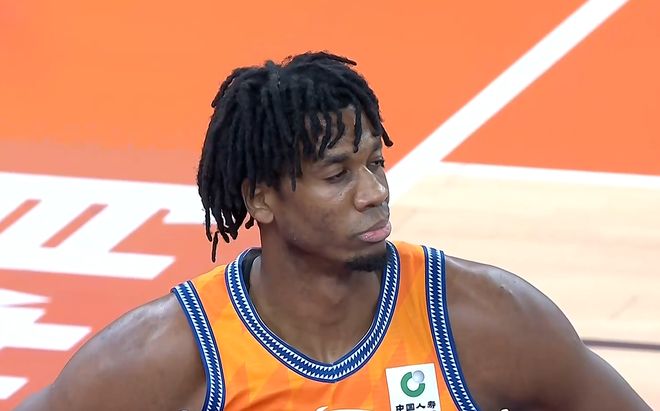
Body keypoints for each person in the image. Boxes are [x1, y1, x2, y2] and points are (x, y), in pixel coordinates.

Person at [17, 52, 650, 411]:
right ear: (261, 198)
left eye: (376, 163)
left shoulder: (480, 321)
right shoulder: (173, 353)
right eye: (337, 174)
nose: (374, 193)